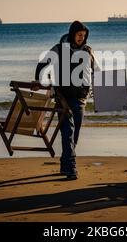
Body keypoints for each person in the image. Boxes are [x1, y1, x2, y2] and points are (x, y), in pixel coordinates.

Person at [33, 20, 96, 180]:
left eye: (84, 36)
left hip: (81, 99)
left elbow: (95, 72)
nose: (81, 38)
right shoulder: (59, 49)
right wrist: (37, 80)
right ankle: (71, 168)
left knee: (75, 135)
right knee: (67, 132)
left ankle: (64, 163)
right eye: (79, 35)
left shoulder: (88, 51)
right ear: (72, 33)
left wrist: (104, 89)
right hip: (63, 99)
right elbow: (42, 65)